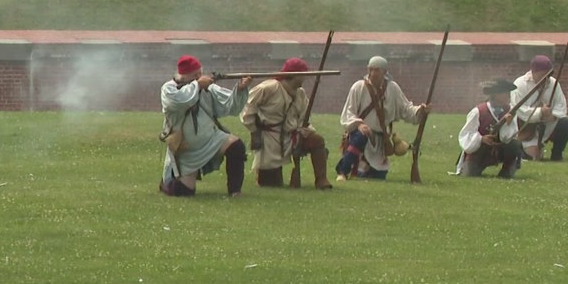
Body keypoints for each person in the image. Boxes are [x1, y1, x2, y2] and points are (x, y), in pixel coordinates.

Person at [159, 56, 250, 197]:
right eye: (194, 75)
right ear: (183, 75)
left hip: (211, 139)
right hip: (185, 148)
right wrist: (197, 86)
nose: (198, 77)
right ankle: (167, 184)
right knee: (184, 192)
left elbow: (230, 106)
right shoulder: (169, 88)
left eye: (199, 73)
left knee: (236, 146)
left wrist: (240, 89)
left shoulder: (208, 87)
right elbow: (179, 102)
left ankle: (235, 191)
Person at [239, 58, 333, 190]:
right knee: (271, 184)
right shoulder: (268, 88)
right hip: (269, 140)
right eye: (303, 74)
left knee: (316, 140)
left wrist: (306, 129)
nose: (305, 78)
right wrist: (254, 130)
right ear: (295, 75)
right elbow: (248, 109)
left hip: (293, 136)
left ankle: (322, 180)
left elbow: (303, 117)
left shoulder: (300, 93)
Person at [335, 56, 429, 180]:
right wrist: (359, 125)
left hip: (380, 141)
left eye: (377, 70)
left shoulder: (392, 88)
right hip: (360, 136)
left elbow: (406, 109)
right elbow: (348, 113)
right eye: (371, 69)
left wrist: (420, 111)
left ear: (384, 72)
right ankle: (343, 172)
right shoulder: (358, 87)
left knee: (378, 176)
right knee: (361, 136)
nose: (373, 73)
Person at [454, 78, 524, 178]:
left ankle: (506, 173)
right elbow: (466, 134)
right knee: (469, 174)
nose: (508, 95)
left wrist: (507, 124)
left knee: (514, 145)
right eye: (505, 92)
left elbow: (507, 138)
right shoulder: (478, 111)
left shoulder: (510, 110)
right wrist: (481, 139)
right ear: (495, 94)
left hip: (500, 149)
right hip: (479, 150)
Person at [511, 55, 568, 161]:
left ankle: (557, 154)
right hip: (526, 126)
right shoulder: (520, 84)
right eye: (542, 75)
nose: (546, 78)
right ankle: (522, 148)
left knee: (565, 123)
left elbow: (561, 106)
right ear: (533, 72)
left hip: (547, 124)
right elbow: (520, 111)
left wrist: (552, 116)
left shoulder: (553, 84)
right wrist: (540, 112)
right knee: (533, 157)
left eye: (548, 74)